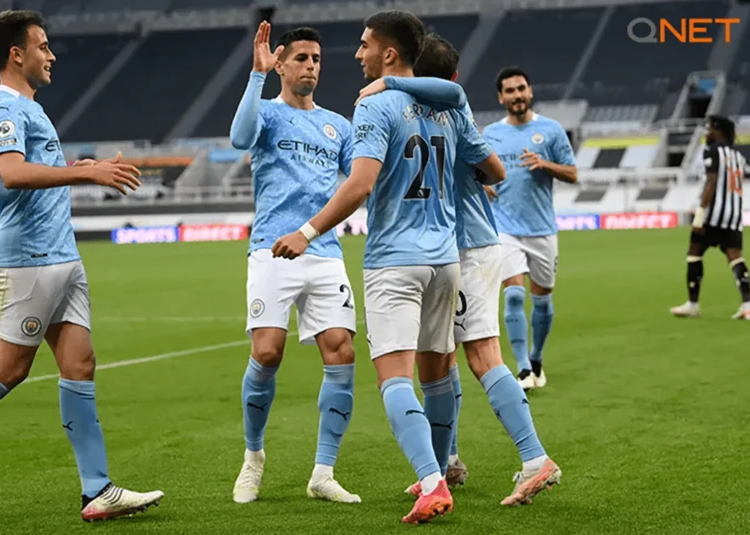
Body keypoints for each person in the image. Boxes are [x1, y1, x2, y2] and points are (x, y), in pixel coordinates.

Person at [0, 10, 163, 527]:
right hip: (30, 259)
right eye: (43, 46)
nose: (52, 54)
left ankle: (97, 488)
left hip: (62, 256)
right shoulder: (4, 106)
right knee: (9, 369)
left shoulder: (27, 110)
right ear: (17, 54)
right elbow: (13, 174)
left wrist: (78, 171)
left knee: (80, 365)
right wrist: (83, 175)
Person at [274, 10, 488, 524]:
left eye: (366, 44)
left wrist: (306, 232)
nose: (357, 54)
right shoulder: (444, 105)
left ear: (389, 53)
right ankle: (438, 465)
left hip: (396, 259)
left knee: (394, 378)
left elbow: (361, 183)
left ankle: (434, 483)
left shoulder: (376, 104)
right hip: (444, 258)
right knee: (438, 373)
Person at [357, 33, 562, 507]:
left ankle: (535, 458)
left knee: (480, 356)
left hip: (465, 246)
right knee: (439, 360)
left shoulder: (438, 112)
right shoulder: (441, 110)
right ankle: (445, 462)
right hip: (451, 247)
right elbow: (494, 171)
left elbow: (492, 167)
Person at [228, 22, 360, 505]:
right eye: (301, 58)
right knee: (267, 353)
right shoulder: (265, 112)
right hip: (271, 247)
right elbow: (240, 138)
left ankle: (323, 472)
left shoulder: (338, 126)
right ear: (281, 63)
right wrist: (255, 76)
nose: (311, 66)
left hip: (323, 250)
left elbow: (355, 183)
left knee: (341, 352)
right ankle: (253, 458)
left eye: (317, 59)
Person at [483, 66, 578, 391]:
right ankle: (523, 368)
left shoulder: (551, 131)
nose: (517, 95)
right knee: (512, 295)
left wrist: (545, 164)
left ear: (530, 91)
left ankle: (536, 357)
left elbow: (573, 173)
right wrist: (480, 184)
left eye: (521, 88)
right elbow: (471, 170)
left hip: (542, 230)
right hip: (504, 228)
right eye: (509, 90)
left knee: (542, 301)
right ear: (501, 97)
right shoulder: (491, 134)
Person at [671, 115, 750, 320]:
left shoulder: (713, 151)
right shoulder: (737, 155)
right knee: (735, 256)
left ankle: (693, 304)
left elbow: (711, 182)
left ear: (719, 131)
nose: (707, 134)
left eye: (709, 130)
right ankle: (747, 305)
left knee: (694, 252)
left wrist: (700, 213)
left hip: (714, 214)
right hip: (733, 215)